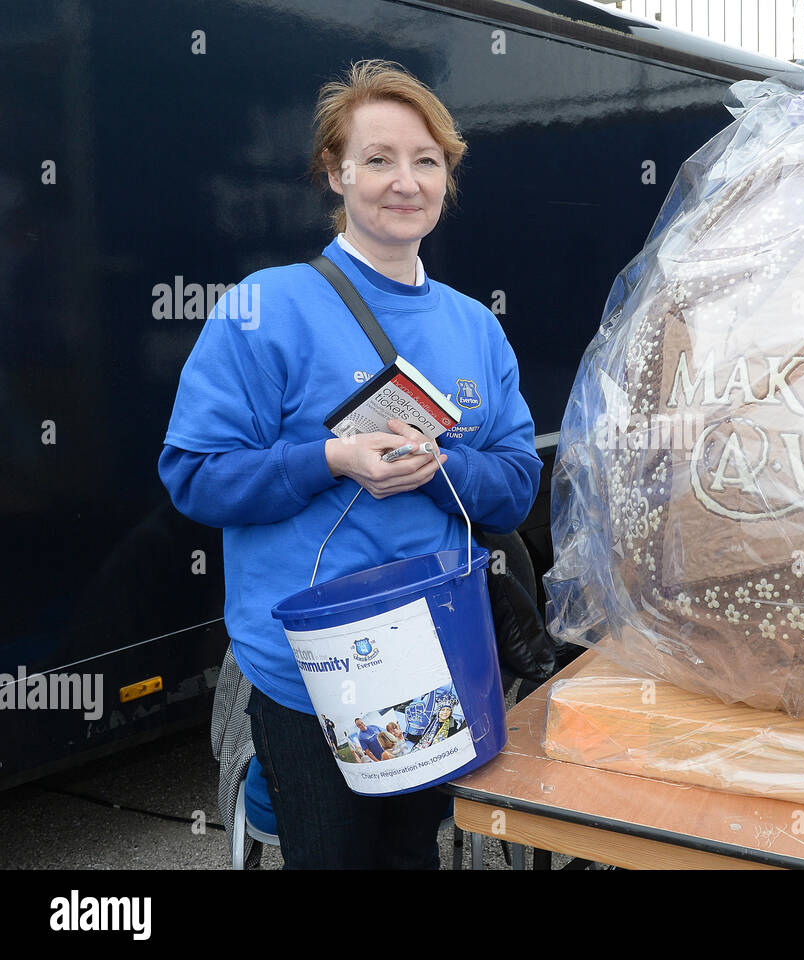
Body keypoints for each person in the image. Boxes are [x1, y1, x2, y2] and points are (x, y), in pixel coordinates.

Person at [158, 59, 542, 869]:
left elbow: (512, 485)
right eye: (378, 159)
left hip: (437, 661)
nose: (405, 182)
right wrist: (331, 457)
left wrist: (441, 468)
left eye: (426, 161)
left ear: (447, 176)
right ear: (336, 173)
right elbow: (194, 474)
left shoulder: (476, 326)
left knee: (412, 858)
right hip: (313, 675)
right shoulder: (266, 309)